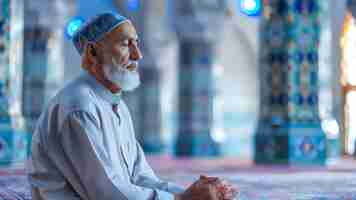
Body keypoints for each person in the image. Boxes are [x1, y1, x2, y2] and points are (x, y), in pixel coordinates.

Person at [27, 12, 237, 200]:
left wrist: (187, 193)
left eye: (136, 43)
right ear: (92, 53)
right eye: (126, 44)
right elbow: (106, 193)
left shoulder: (116, 104)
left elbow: (140, 177)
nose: (138, 55)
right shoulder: (79, 107)